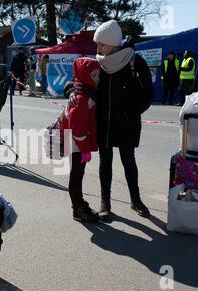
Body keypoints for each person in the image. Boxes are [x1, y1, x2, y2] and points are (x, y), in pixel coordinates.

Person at [71, 20, 153, 220]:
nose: (98, 48)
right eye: (97, 43)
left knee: (128, 162)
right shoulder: (98, 61)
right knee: (105, 163)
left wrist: (130, 112)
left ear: (114, 43)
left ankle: (136, 200)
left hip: (127, 123)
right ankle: (105, 202)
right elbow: (81, 80)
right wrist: (73, 91)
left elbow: (147, 95)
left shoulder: (135, 61)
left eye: (102, 44)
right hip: (103, 123)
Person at [62, 58, 101, 223]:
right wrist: (85, 148)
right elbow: (77, 129)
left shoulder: (87, 88)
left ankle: (79, 204)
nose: (97, 78)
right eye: (93, 75)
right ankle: (77, 209)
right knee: (76, 176)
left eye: (98, 74)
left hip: (79, 141)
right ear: (84, 75)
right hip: (77, 142)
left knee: (78, 174)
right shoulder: (82, 97)